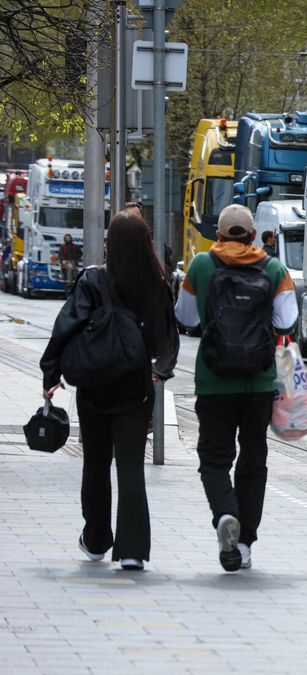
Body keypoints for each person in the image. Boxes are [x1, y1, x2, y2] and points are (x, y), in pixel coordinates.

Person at [40, 209, 179, 571]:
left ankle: (97, 537)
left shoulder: (92, 280)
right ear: (145, 243)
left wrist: (51, 373)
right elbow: (168, 336)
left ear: (110, 243)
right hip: (136, 388)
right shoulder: (157, 283)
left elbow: (66, 326)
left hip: (94, 387)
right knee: (131, 466)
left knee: (96, 463)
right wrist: (160, 372)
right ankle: (132, 549)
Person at [175, 204, 297, 572]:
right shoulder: (274, 268)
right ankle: (244, 544)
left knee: (214, 460)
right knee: (253, 459)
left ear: (220, 235)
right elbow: (287, 320)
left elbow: (186, 317)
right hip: (258, 382)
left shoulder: (200, 264)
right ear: (254, 236)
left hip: (214, 382)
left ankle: (226, 514)